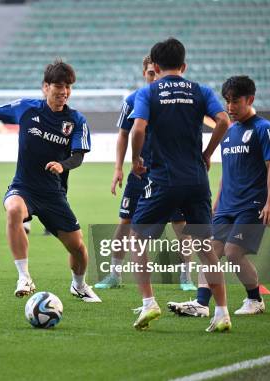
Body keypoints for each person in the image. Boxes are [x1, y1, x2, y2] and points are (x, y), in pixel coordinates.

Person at [0, 59, 101, 302]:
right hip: (24, 187)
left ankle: (79, 285)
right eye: (58, 86)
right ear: (46, 87)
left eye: (68, 87)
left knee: (78, 249)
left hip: (54, 194)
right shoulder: (26, 108)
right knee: (13, 209)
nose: (64, 92)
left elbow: (78, 157)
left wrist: (62, 165)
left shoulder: (76, 121)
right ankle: (24, 276)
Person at [127, 38, 231, 332]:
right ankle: (222, 312)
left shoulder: (149, 92)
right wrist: (208, 154)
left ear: (155, 67)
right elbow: (223, 120)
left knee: (137, 239)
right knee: (205, 247)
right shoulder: (200, 91)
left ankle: (149, 303)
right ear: (184, 66)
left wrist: (135, 159)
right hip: (197, 179)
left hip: (163, 178)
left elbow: (138, 128)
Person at [168, 76, 270, 317]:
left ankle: (255, 299)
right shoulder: (229, 132)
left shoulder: (264, 128)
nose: (230, 107)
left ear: (250, 99)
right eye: (227, 101)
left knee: (232, 252)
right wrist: (216, 205)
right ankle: (200, 304)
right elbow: (226, 173)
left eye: (235, 101)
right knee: (208, 250)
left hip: (252, 206)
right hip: (226, 206)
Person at [95, 55, 196, 291]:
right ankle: (114, 274)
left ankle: (186, 278)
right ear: (144, 74)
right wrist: (118, 168)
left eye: (156, 73)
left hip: (171, 175)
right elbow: (123, 134)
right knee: (125, 222)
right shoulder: (133, 100)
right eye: (149, 73)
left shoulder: (176, 101)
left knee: (181, 224)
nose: (153, 77)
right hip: (140, 174)